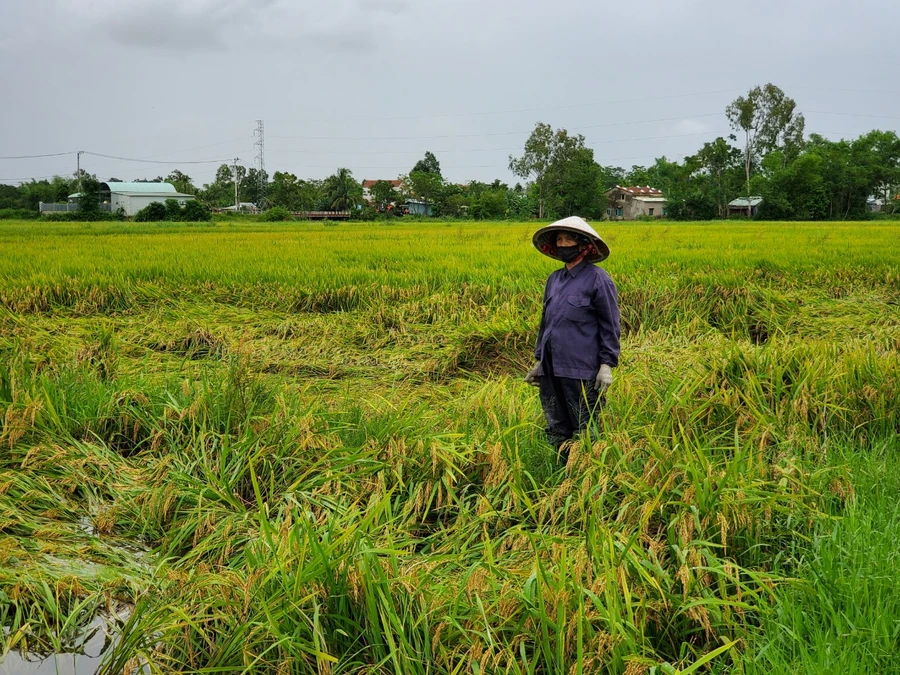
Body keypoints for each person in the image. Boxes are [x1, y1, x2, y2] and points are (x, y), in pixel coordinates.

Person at [524, 216, 621, 464]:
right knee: (556, 424)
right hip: (552, 368)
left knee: (585, 426)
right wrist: (539, 361)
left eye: (569, 239)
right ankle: (560, 471)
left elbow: (610, 325)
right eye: (559, 239)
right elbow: (546, 322)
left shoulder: (599, 279)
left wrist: (606, 365)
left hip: (581, 369)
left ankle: (587, 472)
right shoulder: (554, 279)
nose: (563, 243)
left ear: (583, 245)